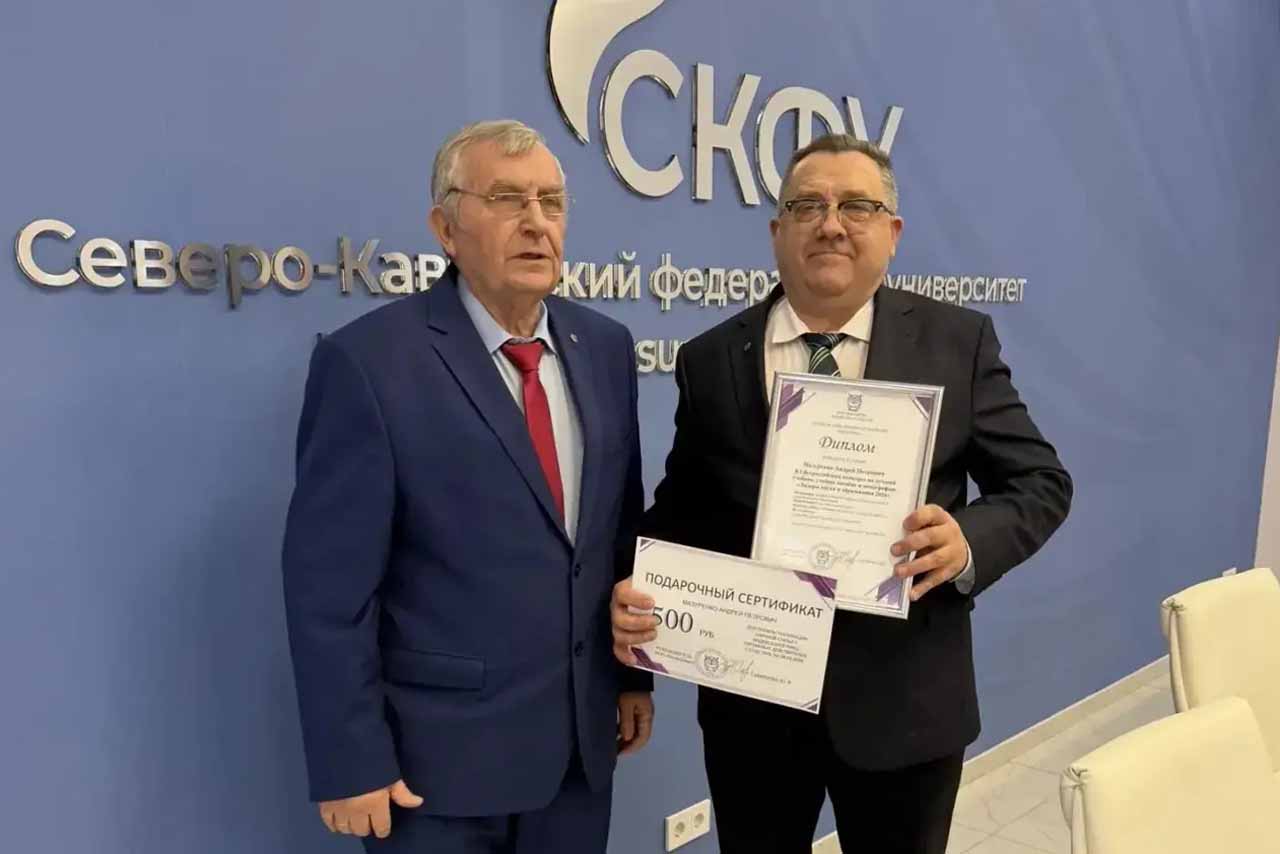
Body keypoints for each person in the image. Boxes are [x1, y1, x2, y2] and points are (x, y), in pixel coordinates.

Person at [611, 133, 1072, 854]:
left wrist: (965, 543)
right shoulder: (710, 359)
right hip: (752, 710)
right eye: (808, 206)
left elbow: (1041, 482)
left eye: (857, 206)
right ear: (777, 231)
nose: (830, 224)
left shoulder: (957, 343)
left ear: (893, 232)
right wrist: (637, 607)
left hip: (906, 707)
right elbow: (683, 512)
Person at [283, 119, 653, 854]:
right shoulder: (369, 363)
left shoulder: (605, 347)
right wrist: (349, 759)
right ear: (446, 228)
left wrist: (631, 677)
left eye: (551, 202)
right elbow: (328, 589)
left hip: (578, 757)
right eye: (507, 199)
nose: (536, 222)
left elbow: (615, 535)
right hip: (435, 771)